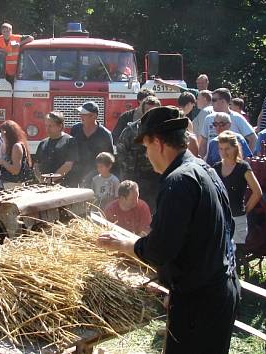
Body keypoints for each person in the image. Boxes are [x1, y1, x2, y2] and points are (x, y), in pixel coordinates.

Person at [97, 106, 239, 353]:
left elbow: (159, 249)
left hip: (200, 300)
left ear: (158, 142)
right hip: (221, 291)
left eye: (146, 147)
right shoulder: (205, 170)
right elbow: (223, 229)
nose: (146, 155)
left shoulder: (178, 181)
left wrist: (123, 244)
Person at [214, 131, 262, 246]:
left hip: (237, 220)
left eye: (227, 149)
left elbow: (257, 192)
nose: (223, 152)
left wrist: (245, 211)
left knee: (235, 257)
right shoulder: (216, 167)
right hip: (219, 219)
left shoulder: (243, 167)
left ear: (235, 148)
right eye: (221, 149)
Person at [116, 96, 162, 210]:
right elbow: (121, 152)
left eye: (154, 111)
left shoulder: (163, 131)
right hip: (135, 179)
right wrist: (128, 176)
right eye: (147, 110)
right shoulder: (132, 130)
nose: (150, 114)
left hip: (156, 180)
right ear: (142, 111)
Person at [200, 88, 256, 158]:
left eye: (213, 100)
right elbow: (203, 143)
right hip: (212, 163)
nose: (211, 103)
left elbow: (253, 138)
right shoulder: (208, 118)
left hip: (233, 162)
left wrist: (245, 159)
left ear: (223, 101)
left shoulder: (237, 117)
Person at [69, 101, 113, 186]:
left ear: (94, 116)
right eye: (81, 114)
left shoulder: (105, 134)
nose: (81, 116)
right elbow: (70, 151)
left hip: (96, 174)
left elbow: (109, 158)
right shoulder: (75, 129)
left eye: (84, 114)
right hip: (75, 172)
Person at [33, 112, 77, 185]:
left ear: (60, 126)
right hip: (45, 185)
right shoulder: (43, 143)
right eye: (46, 126)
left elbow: (68, 165)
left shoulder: (70, 141)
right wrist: (40, 179)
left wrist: (52, 179)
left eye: (50, 126)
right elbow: (36, 165)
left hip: (64, 186)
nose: (47, 129)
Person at [0, 120, 33, 188]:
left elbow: (15, 170)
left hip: (14, 184)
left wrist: (2, 161)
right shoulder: (10, 146)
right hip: (9, 183)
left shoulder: (16, 147)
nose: (2, 135)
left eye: (4, 133)